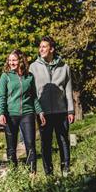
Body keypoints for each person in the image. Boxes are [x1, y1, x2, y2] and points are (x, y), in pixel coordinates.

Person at [30, 36, 74, 176]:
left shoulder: (64, 67)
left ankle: (65, 170)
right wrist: (35, 111)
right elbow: (31, 92)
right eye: (40, 46)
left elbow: (68, 90)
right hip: (43, 113)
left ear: (52, 49)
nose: (41, 49)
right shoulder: (33, 67)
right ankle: (49, 173)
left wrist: (70, 110)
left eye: (44, 46)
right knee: (46, 143)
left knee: (63, 141)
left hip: (61, 111)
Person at [0, 49, 46, 174]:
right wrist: (1, 113)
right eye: (9, 60)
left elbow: (34, 96)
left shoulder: (29, 77)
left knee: (30, 145)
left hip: (27, 114)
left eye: (14, 60)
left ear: (21, 61)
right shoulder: (6, 76)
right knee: (11, 147)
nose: (11, 62)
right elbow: (1, 96)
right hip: (10, 115)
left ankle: (32, 173)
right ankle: (14, 173)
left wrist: (40, 112)